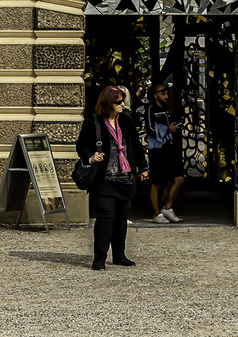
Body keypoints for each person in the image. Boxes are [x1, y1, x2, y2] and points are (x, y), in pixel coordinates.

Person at [76, 85, 147, 270]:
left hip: (125, 178)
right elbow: (81, 146)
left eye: (122, 101)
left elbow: (136, 145)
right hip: (104, 180)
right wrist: (91, 156)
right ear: (108, 103)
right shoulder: (94, 122)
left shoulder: (125, 119)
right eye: (118, 102)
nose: (122, 104)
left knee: (121, 218)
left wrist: (143, 167)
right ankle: (99, 258)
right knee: (106, 217)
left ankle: (119, 255)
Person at [145, 83, 186, 223]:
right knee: (155, 182)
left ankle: (167, 207)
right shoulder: (150, 109)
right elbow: (149, 129)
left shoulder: (166, 110)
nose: (166, 95)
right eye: (162, 92)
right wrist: (167, 129)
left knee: (179, 178)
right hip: (156, 150)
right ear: (155, 94)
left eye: (167, 92)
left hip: (168, 148)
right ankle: (157, 213)